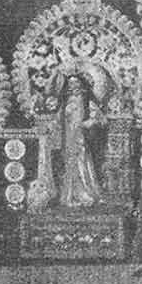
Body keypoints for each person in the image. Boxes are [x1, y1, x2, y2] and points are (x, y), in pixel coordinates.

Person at [59, 75, 103, 207]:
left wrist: (88, 123)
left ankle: (85, 193)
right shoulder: (66, 99)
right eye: (70, 83)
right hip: (68, 136)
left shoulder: (86, 99)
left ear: (81, 83)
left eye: (76, 82)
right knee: (70, 162)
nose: (73, 85)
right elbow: (60, 118)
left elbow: (99, 117)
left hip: (81, 135)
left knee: (81, 161)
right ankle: (71, 195)